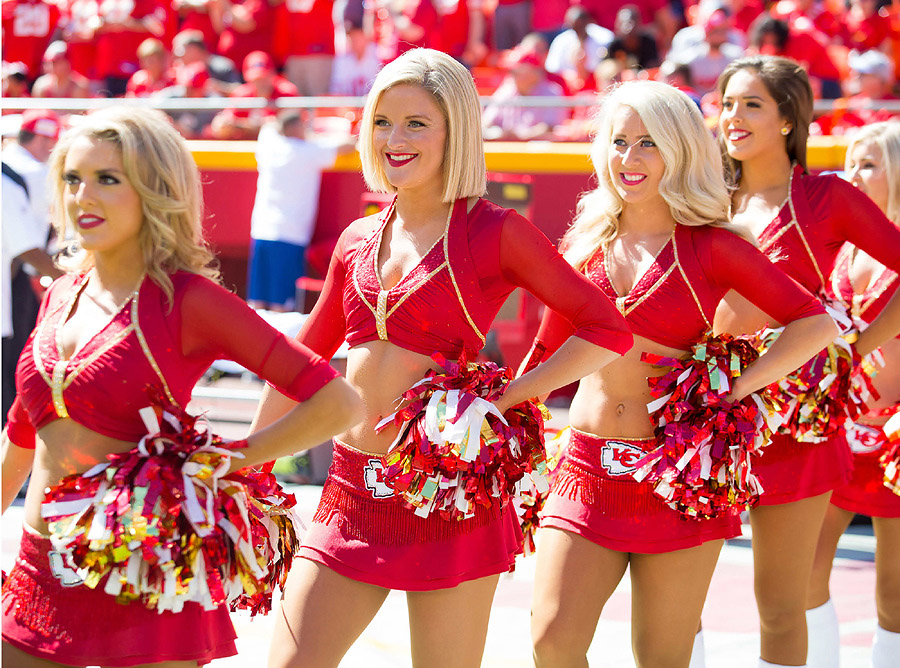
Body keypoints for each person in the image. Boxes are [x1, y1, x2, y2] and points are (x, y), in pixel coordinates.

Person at [249, 48, 633, 668]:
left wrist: (507, 397)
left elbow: (605, 327)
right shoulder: (356, 237)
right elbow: (301, 362)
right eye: (382, 122)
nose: (395, 139)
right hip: (349, 495)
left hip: (449, 497)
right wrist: (249, 464)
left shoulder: (494, 232)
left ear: (455, 131)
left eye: (416, 123)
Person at [0, 105, 363, 667]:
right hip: (38, 575)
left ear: (154, 189)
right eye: (73, 179)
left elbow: (337, 400)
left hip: (143, 571)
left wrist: (231, 458)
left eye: (107, 179)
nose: (83, 196)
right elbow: (26, 432)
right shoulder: (61, 292)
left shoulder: (187, 300)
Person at [526, 79, 834, 668]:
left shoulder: (713, 247)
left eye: (648, 143)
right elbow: (544, 354)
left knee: (661, 657)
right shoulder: (584, 244)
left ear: (680, 150)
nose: (629, 158)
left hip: (674, 476)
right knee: (551, 642)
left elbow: (813, 322)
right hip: (584, 469)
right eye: (619, 142)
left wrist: (732, 390)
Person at [715, 55, 900, 668]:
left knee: (778, 601)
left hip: (794, 422)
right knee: (678, 595)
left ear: (789, 119)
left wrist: (860, 344)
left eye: (751, 105)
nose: (732, 117)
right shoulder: (702, 194)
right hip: (702, 418)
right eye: (726, 104)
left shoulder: (825, 197)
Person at [806, 121, 900, 668]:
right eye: (850, 163)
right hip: (835, 433)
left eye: (869, 164)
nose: (853, 176)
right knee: (803, 575)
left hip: (894, 449)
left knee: (893, 595)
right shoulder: (839, 250)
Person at [247, 111, 354, 312]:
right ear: (295, 128)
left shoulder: (269, 145)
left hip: (262, 230)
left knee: (256, 301)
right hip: (291, 235)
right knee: (282, 305)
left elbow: (268, 126)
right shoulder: (309, 152)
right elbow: (348, 145)